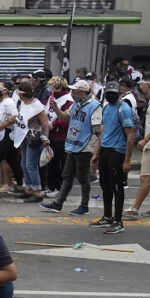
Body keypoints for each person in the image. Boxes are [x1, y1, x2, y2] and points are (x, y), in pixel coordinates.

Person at [40, 79, 100, 215]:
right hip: (72, 145)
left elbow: (97, 130)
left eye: (76, 91)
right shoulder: (76, 105)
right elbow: (65, 117)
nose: (73, 93)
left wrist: (94, 151)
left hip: (85, 147)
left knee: (83, 177)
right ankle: (58, 203)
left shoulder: (94, 106)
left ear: (83, 92)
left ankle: (84, 206)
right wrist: (55, 108)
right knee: (67, 175)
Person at [90, 81, 136, 234]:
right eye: (108, 93)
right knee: (105, 184)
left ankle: (118, 221)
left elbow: (130, 135)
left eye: (113, 94)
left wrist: (127, 159)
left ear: (119, 93)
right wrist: (96, 154)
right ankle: (108, 216)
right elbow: (103, 133)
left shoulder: (124, 109)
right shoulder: (106, 108)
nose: (110, 96)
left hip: (118, 151)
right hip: (106, 150)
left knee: (117, 187)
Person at [126, 72, 150, 217]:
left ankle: (135, 208)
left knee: (145, 177)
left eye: (143, 84)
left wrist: (146, 140)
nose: (142, 87)